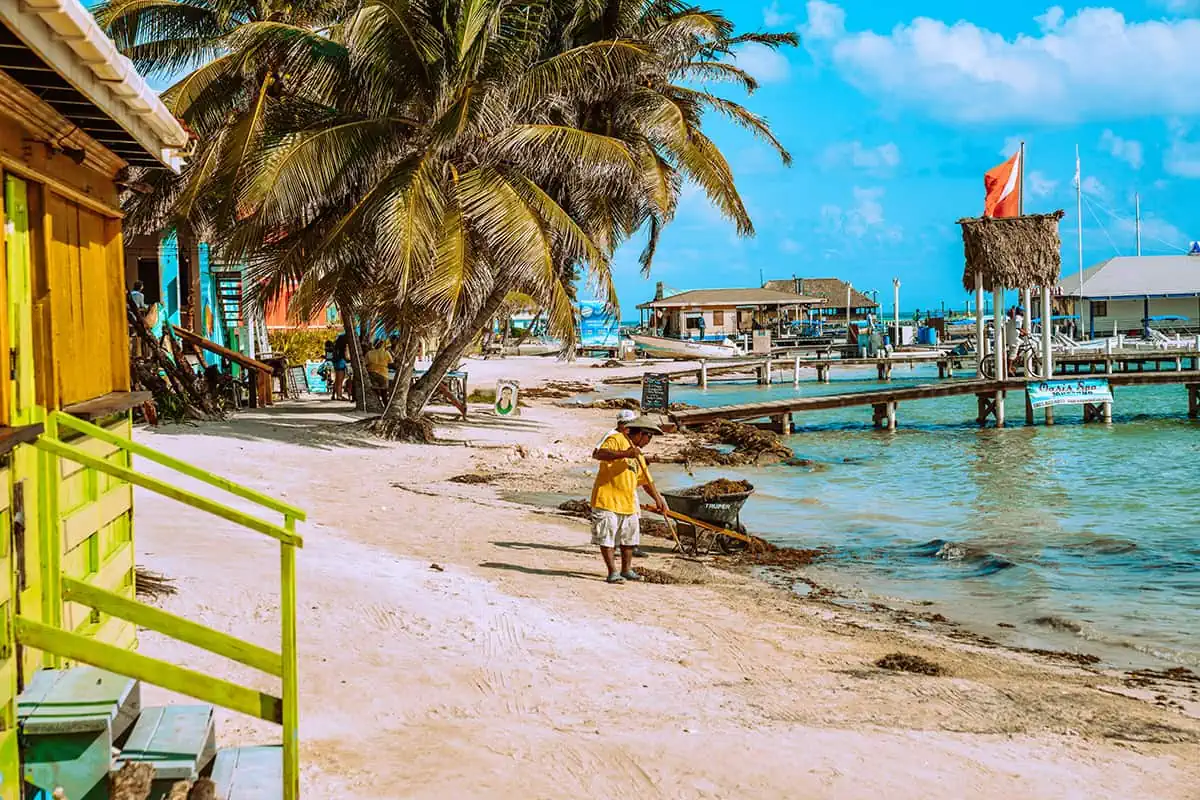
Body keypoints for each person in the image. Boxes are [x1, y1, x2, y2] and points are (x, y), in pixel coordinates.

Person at [590, 416, 668, 584]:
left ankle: (626, 570)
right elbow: (599, 454)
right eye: (649, 437)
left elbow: (645, 480)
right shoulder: (616, 439)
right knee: (607, 537)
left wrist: (658, 498)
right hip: (607, 498)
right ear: (641, 433)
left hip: (627, 501)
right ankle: (612, 572)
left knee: (629, 538)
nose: (649, 441)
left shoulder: (637, 453)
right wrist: (625, 453)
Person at [364, 338, 391, 404]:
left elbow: (365, 364)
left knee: (375, 390)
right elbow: (391, 363)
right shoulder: (386, 353)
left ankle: (379, 402)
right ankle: (385, 405)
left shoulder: (369, 353)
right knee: (384, 392)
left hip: (371, 373)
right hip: (383, 374)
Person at [331, 332, 349, 401]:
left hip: (336, 363)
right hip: (341, 362)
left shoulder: (335, 347)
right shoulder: (342, 348)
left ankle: (334, 394)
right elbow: (346, 357)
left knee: (337, 379)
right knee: (340, 380)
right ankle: (339, 396)